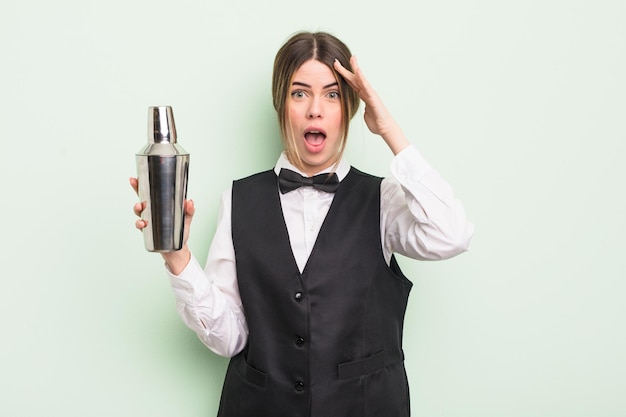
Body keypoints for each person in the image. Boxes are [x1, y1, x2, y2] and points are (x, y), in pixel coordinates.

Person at [131, 31, 473, 417]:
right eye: (299, 93)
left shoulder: (385, 200)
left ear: (348, 107)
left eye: (331, 94)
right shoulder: (238, 199)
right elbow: (229, 339)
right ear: (282, 105)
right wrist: (177, 258)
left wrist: (389, 130)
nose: (315, 109)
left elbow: (453, 234)